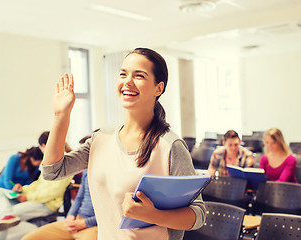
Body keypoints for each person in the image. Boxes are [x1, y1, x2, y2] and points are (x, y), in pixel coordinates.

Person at [41, 48, 206, 240]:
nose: (127, 81)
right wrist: (61, 116)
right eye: (123, 73)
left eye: (139, 75)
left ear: (158, 88)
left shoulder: (170, 145)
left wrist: (153, 215)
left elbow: (198, 215)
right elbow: (52, 171)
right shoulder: (100, 138)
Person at [0, 173, 73, 240]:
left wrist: (28, 197)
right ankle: (7, 214)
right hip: (33, 199)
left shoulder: (64, 166)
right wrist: (23, 189)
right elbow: (37, 184)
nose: (42, 150)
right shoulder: (48, 162)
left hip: (46, 204)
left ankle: (6, 216)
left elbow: (53, 193)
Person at [0, 146, 43, 230]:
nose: (39, 164)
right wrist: (13, 187)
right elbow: (7, 180)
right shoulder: (14, 158)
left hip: (14, 193)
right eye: (38, 161)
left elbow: (29, 183)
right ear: (31, 158)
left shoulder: (34, 167)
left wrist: (21, 189)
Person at [22, 169, 97, 240]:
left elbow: (109, 214)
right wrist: (70, 216)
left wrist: (86, 223)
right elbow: (79, 198)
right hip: (76, 221)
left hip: (94, 225)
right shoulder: (87, 169)